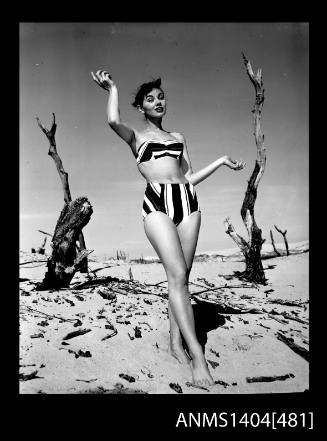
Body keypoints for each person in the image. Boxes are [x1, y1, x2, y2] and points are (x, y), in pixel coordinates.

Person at [91, 70, 245, 387]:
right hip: (157, 205)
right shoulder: (136, 137)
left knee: (182, 279)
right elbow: (111, 121)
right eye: (150, 99)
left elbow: (188, 177)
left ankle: (176, 344)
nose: (158, 102)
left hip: (188, 204)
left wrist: (220, 162)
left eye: (161, 97)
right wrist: (113, 89)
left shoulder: (178, 138)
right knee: (176, 277)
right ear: (141, 107)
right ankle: (198, 358)